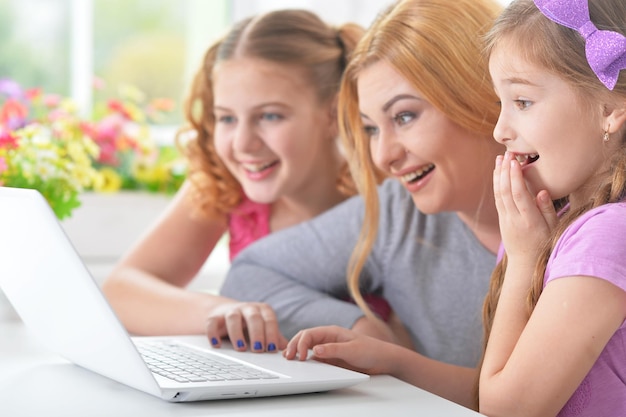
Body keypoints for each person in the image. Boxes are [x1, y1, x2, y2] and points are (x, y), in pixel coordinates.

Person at [221, 0, 504, 407]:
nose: (383, 156)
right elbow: (250, 272)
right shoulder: (397, 213)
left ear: (482, 93)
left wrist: (397, 362)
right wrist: (361, 330)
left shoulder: (591, 226)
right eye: (371, 128)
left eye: (404, 116)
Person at [101, 9, 364, 352]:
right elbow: (122, 289)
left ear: (335, 113)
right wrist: (222, 309)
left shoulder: (385, 198)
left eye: (270, 115)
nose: (242, 144)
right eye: (226, 118)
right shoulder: (225, 184)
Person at [478, 0, 626, 416]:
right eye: (500, 104)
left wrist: (524, 261)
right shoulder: (550, 226)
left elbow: (507, 408)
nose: (500, 130)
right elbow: (497, 385)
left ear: (609, 110)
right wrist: (397, 362)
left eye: (522, 102)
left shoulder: (608, 236)